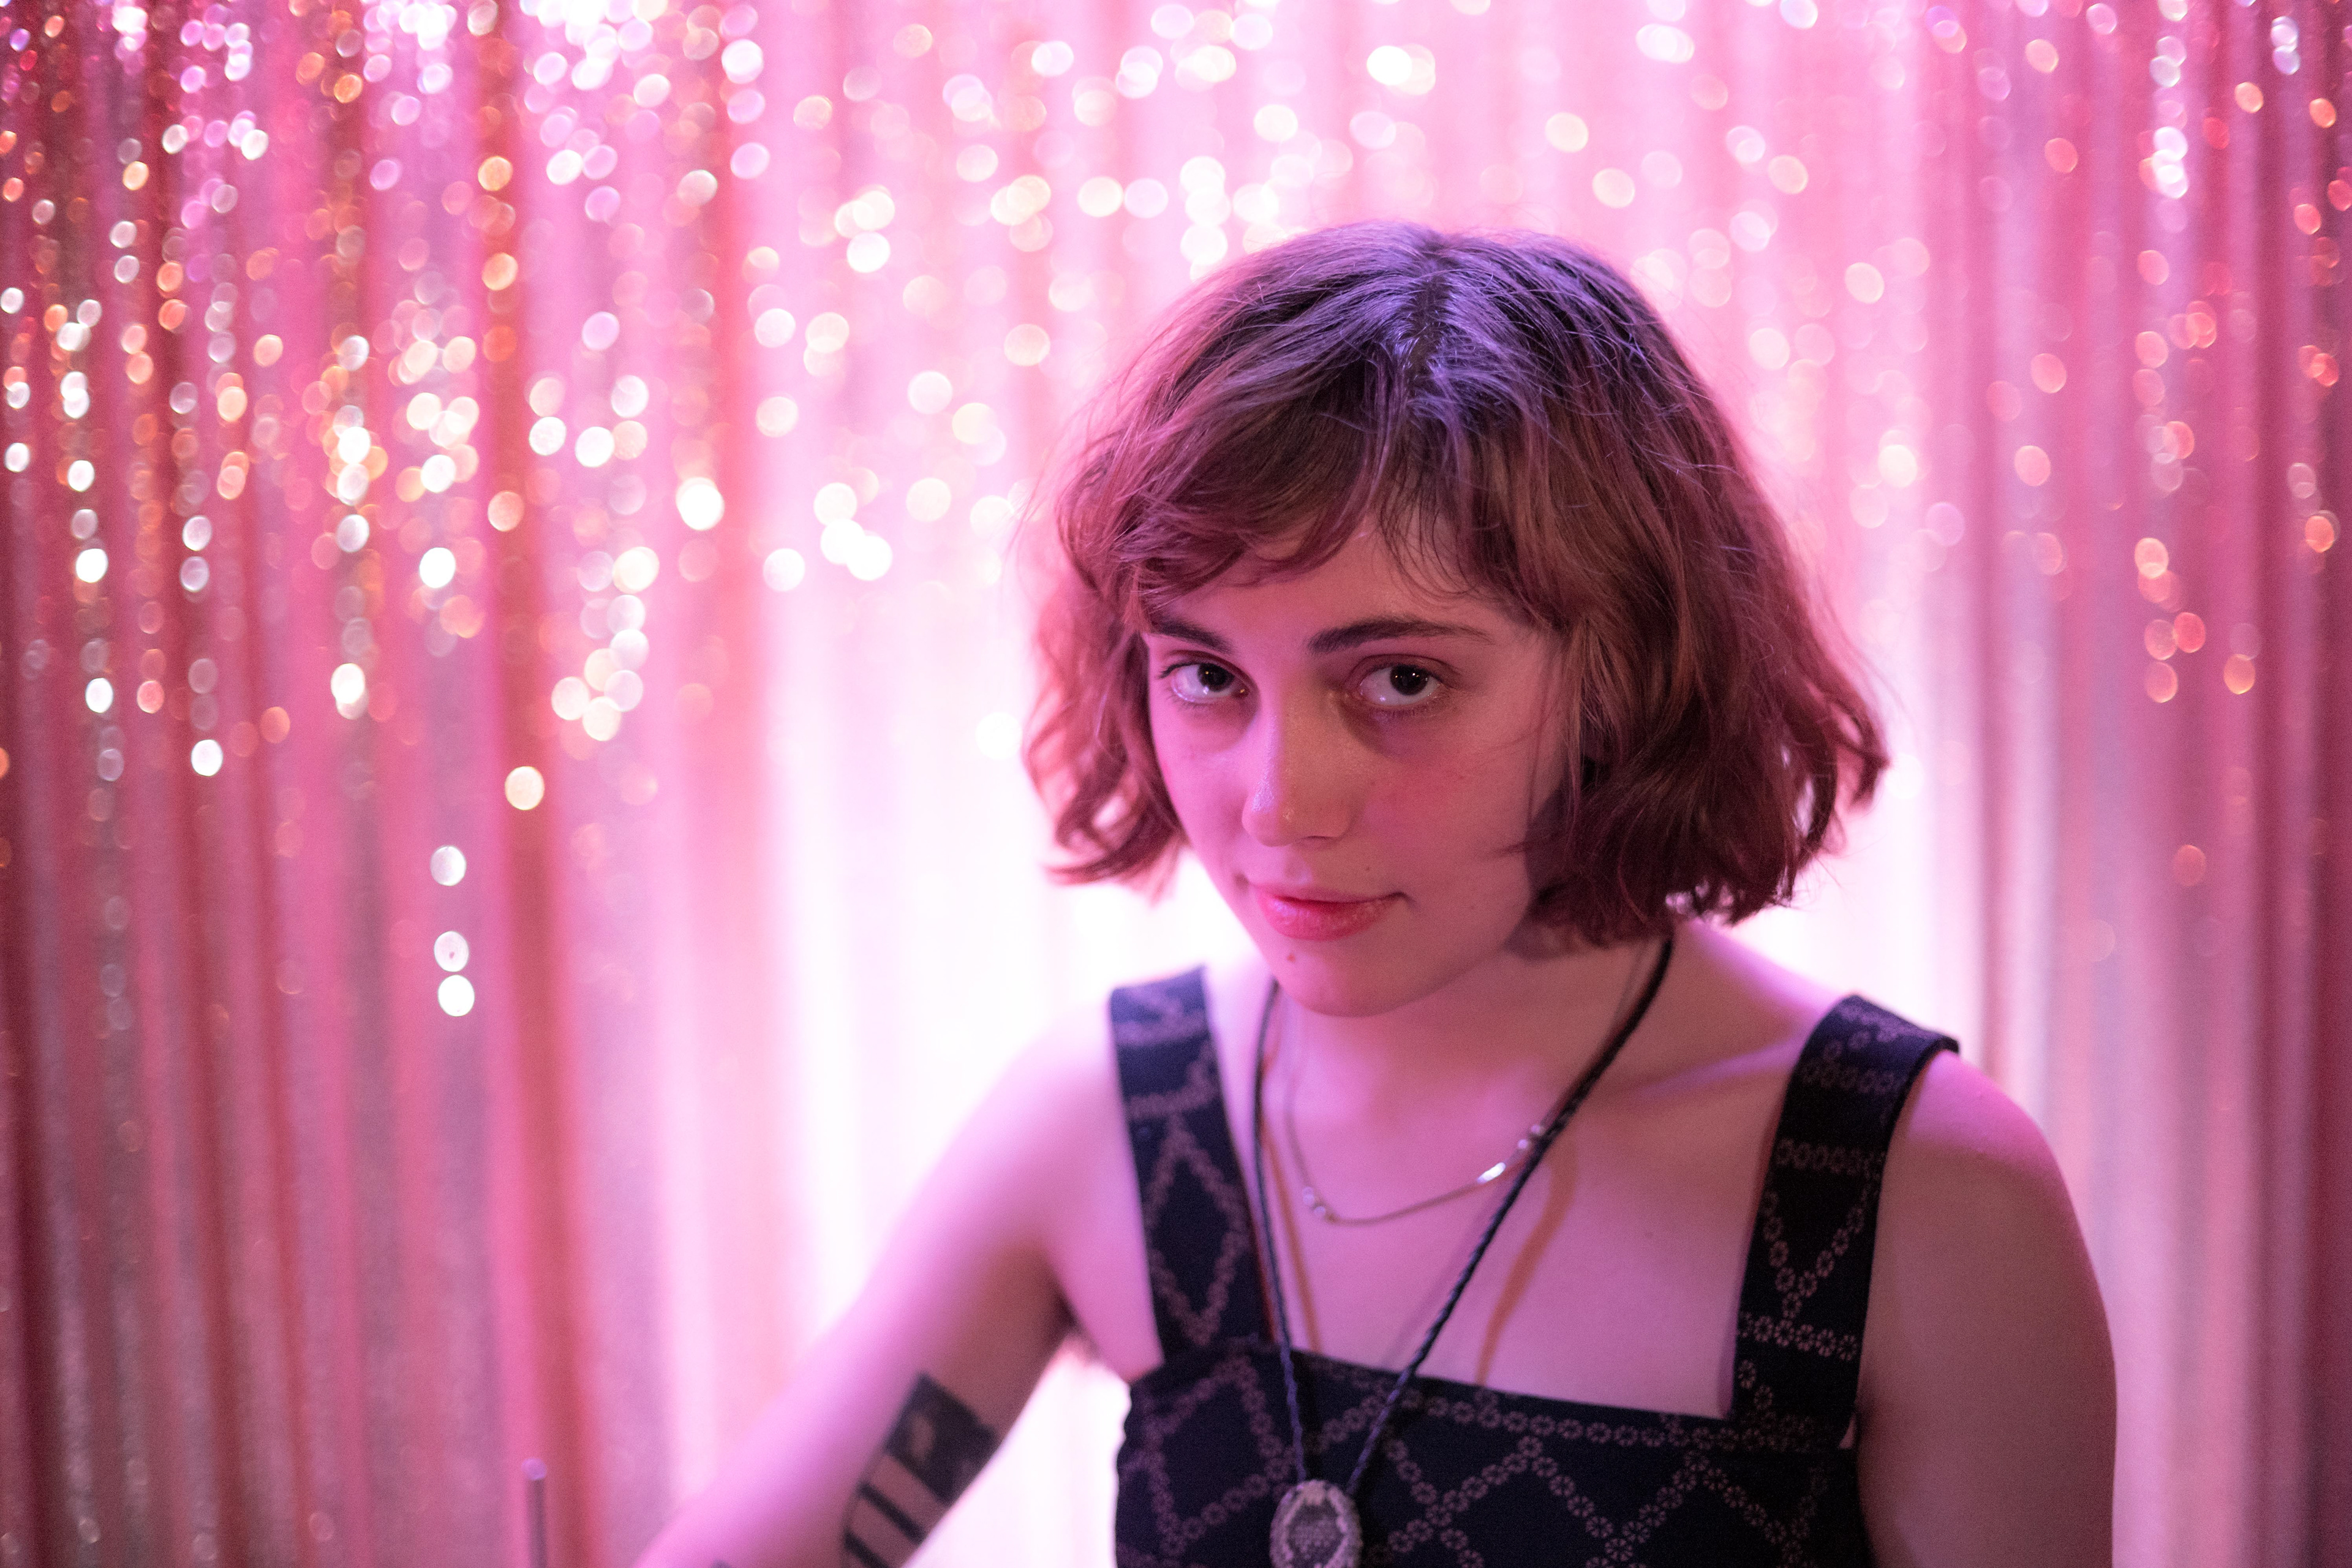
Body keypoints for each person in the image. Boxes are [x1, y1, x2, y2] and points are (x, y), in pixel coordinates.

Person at [634, 222, 2114, 1568]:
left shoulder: (1915, 1192)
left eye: (1400, 679)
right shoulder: (1116, 1119)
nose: (1279, 801)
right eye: (1206, 673)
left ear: (1627, 673)